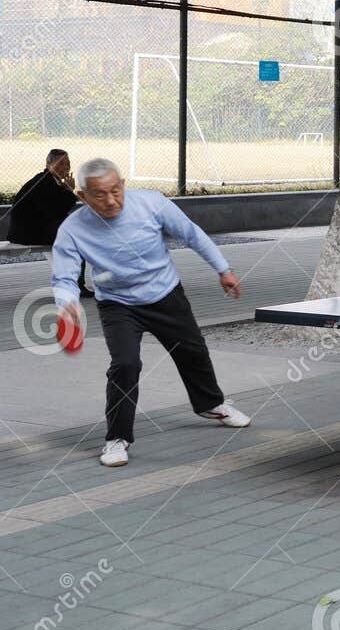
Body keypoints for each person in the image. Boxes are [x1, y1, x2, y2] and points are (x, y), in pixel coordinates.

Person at [51, 159, 252, 468]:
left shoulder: (152, 204)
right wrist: (67, 305)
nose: (111, 200)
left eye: (116, 190)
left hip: (165, 293)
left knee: (193, 352)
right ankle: (117, 438)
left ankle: (211, 405)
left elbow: (192, 234)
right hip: (117, 304)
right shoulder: (72, 230)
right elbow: (64, 277)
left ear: (123, 184)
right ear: (82, 196)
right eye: (100, 194)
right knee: (125, 364)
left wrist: (223, 269)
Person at [7, 148, 78, 246]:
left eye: (68, 164)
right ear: (48, 165)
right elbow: (58, 212)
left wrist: (65, 191)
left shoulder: (50, 180)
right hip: (27, 234)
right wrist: (69, 191)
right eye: (61, 163)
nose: (66, 167)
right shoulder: (44, 182)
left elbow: (58, 209)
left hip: (36, 229)